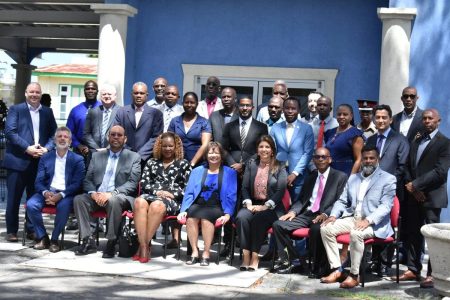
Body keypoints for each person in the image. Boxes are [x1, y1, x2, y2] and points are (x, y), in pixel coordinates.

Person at [320, 145, 396, 289]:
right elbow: (342, 200)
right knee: (326, 228)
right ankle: (337, 270)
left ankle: (354, 275)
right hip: (353, 218)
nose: (368, 161)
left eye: (371, 158)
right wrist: (334, 215)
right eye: (365, 158)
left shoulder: (388, 179)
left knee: (356, 233)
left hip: (375, 223)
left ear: (377, 159)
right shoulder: (353, 178)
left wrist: (368, 220)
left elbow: (386, 206)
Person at [395, 109, 450, 289]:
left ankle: (433, 274)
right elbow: (409, 165)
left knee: (433, 238)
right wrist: (412, 186)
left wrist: (417, 185)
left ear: (438, 121)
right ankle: (413, 269)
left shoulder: (445, 143)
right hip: (413, 195)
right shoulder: (416, 140)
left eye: (430, 118)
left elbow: (440, 172)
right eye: (424, 118)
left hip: (432, 197)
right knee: (413, 234)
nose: (426, 121)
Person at [272, 147, 347, 277]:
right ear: (313, 160)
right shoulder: (311, 177)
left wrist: (326, 214)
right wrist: (293, 212)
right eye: (317, 157)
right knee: (279, 225)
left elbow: (340, 201)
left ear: (330, 159)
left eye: (324, 157)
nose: (320, 159)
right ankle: (296, 262)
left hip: (325, 215)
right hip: (308, 213)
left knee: (316, 230)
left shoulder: (340, 177)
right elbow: (302, 199)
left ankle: (318, 267)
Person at [74, 125, 141, 258]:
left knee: (113, 200)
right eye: (113, 134)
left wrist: (111, 193)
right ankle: (88, 240)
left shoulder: (134, 157)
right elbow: (87, 179)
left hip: (120, 196)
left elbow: (132, 183)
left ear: (125, 139)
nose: (116, 137)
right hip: (97, 196)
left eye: (119, 135)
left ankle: (112, 240)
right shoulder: (96, 156)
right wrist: (93, 193)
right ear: (108, 137)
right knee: (79, 199)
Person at [3, 82, 57, 242]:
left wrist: (47, 149)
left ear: (41, 94)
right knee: (13, 199)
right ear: (26, 93)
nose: (34, 95)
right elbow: (10, 132)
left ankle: (31, 230)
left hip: (39, 163)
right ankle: (12, 231)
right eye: (31, 92)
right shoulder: (16, 109)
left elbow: (54, 134)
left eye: (37, 92)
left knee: (34, 199)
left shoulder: (47, 112)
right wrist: (28, 148)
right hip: (17, 162)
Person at [133, 132, 191, 263]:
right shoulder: (152, 162)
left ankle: (143, 246)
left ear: (176, 147)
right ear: (160, 146)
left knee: (156, 205)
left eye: (171, 146)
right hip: (152, 194)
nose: (168, 149)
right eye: (164, 146)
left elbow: (188, 188)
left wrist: (172, 194)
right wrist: (158, 192)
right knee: (139, 202)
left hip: (173, 200)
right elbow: (145, 183)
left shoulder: (184, 164)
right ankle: (144, 245)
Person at [365, 104, 409, 274]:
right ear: (374, 120)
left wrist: (386, 183)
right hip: (371, 191)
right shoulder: (370, 140)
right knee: (373, 222)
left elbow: (403, 166)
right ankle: (374, 260)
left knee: (387, 224)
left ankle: (385, 262)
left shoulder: (400, 140)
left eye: (384, 117)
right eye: (378, 117)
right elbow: (366, 164)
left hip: (391, 190)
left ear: (390, 119)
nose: (381, 120)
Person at [177, 142, 237, 266]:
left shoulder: (230, 172)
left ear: (221, 155)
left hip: (217, 206)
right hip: (198, 204)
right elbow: (189, 192)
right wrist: (183, 210)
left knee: (206, 219)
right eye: (210, 152)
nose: (213, 155)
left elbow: (231, 195)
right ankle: (194, 251)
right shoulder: (197, 171)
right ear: (206, 155)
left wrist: (227, 214)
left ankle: (206, 252)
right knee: (191, 218)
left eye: (216, 152)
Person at [26, 127, 84, 252]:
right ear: (55, 139)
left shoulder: (78, 159)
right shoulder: (45, 158)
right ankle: (43, 237)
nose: (62, 139)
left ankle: (54, 240)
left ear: (70, 141)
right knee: (31, 205)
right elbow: (39, 181)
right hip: (48, 191)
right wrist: (46, 193)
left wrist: (61, 195)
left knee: (63, 207)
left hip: (66, 194)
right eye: (59, 136)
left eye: (65, 137)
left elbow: (77, 184)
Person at [235, 135, 287, 271]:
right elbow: (245, 187)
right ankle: (246, 255)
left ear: (272, 150)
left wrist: (266, 206)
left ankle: (255, 256)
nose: (264, 149)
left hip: (272, 207)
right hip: (252, 203)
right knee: (241, 217)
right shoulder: (252, 164)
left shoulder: (280, 166)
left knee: (258, 219)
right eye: (261, 146)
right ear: (257, 150)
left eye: (267, 147)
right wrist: (249, 204)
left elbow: (281, 190)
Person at [270, 96, 314, 201]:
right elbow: (272, 151)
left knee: (296, 207)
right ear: (282, 109)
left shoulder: (307, 128)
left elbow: (307, 153)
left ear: (298, 110)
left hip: (299, 177)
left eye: (293, 108)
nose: (290, 111)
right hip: (278, 175)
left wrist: (295, 173)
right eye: (287, 108)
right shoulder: (275, 127)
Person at [113, 82, 163, 164]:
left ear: (147, 95)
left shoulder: (156, 114)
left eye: (142, 93)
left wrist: (140, 155)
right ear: (132, 94)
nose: (138, 95)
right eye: (136, 93)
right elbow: (117, 134)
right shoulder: (122, 112)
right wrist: (129, 153)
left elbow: (156, 137)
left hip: (146, 160)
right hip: (124, 158)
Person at [222, 97, 268, 175]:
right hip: (231, 169)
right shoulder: (229, 126)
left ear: (252, 108)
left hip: (252, 168)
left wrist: (243, 165)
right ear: (237, 107)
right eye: (242, 105)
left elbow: (261, 150)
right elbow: (223, 148)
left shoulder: (261, 127)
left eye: (248, 105)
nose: (245, 108)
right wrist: (233, 164)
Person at [168, 92, 212, 167]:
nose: (189, 105)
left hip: (199, 164)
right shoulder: (175, 121)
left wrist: (192, 163)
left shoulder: (204, 122)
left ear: (197, 104)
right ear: (182, 103)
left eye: (192, 102)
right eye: (186, 102)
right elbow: (169, 142)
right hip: (177, 163)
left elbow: (205, 144)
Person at [324, 104, 364, 176]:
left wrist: (351, 178)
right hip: (330, 173)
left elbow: (359, 159)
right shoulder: (330, 132)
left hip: (345, 174)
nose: (341, 117)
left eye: (345, 114)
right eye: (339, 114)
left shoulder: (355, 134)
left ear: (351, 116)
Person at [66, 80, 100, 158]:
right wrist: (78, 145)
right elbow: (69, 132)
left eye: (93, 89)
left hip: (99, 152)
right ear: (84, 91)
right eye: (87, 89)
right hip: (79, 153)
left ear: (97, 91)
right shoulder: (75, 110)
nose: (90, 91)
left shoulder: (103, 109)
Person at [83, 83, 120, 152]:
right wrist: (97, 149)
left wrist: (108, 148)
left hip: (114, 152)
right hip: (95, 153)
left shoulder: (121, 112)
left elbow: (123, 134)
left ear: (115, 96)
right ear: (100, 97)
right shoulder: (92, 112)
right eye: (104, 94)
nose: (106, 96)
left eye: (109, 94)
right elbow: (86, 134)